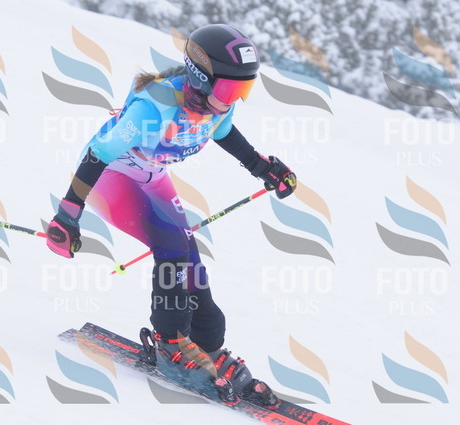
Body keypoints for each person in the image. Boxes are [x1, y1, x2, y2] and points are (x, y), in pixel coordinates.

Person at [46, 24, 297, 405]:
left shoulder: (214, 105)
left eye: (241, 91)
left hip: (152, 175)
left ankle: (207, 343)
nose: (232, 100)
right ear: (200, 78)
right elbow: (99, 153)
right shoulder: (154, 105)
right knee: (172, 246)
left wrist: (264, 168)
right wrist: (67, 215)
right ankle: (171, 345)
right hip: (112, 176)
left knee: (188, 253)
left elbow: (224, 133)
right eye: (228, 90)